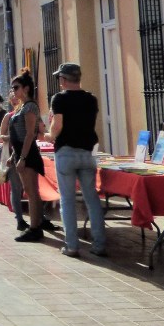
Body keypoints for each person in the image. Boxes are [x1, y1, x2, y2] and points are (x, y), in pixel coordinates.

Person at [48, 63, 107, 258]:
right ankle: (99, 245)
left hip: (66, 151)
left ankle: (72, 245)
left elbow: (57, 126)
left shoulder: (59, 99)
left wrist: (48, 135)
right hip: (88, 151)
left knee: (67, 199)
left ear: (63, 80)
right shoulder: (91, 99)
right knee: (92, 198)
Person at [5, 69, 47, 243]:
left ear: (26, 88)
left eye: (16, 87)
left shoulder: (29, 107)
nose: (13, 91)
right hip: (21, 152)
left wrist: (22, 158)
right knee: (30, 191)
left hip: (28, 154)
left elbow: (30, 134)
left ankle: (35, 227)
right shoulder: (22, 107)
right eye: (13, 88)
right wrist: (14, 155)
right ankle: (35, 226)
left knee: (32, 192)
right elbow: (18, 135)